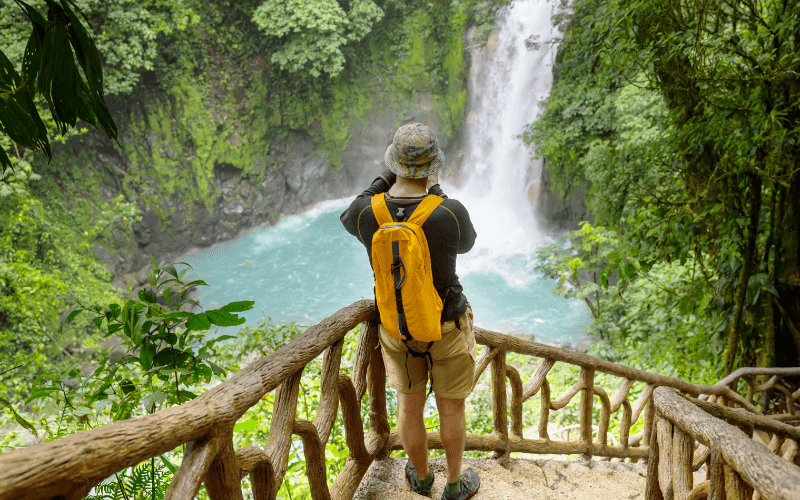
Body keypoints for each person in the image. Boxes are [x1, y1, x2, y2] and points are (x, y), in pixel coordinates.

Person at [340, 123, 480, 500]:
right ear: (433, 165)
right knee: (452, 410)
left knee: (409, 407)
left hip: (396, 327)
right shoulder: (447, 211)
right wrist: (436, 189)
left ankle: (420, 479)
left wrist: (386, 177)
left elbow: (350, 211)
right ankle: (453, 485)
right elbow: (466, 244)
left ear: (393, 164)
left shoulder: (368, 213)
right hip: (446, 324)